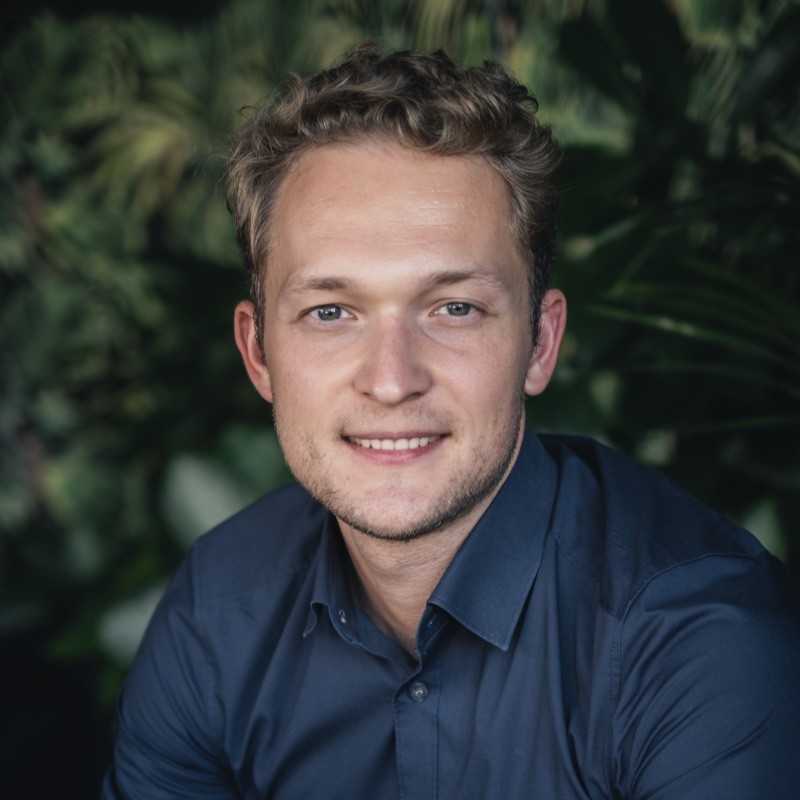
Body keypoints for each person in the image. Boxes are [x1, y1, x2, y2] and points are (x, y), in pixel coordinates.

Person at [102, 45, 800, 799]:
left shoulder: (701, 641)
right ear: (258, 353)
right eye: (330, 312)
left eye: (454, 308)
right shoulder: (219, 607)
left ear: (539, 343)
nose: (392, 379)